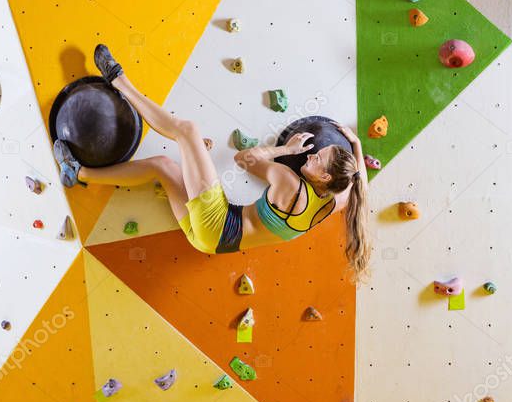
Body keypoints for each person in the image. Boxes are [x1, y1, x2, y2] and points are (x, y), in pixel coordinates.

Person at [53, 45, 372, 280]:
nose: (312, 154)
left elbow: (243, 159)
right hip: (209, 243)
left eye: (319, 158)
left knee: (187, 130)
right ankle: (78, 172)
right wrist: (355, 145)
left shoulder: (291, 185)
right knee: (162, 166)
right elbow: (359, 181)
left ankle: (118, 80)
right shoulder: (334, 202)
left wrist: (283, 150)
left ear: (326, 178)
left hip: (218, 223)